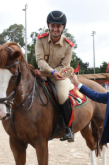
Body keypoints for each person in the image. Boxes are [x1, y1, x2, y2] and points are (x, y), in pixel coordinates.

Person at [34, 10, 75, 142]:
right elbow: (40, 60)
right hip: (44, 73)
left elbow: (65, 65)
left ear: (63, 27)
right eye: (52, 25)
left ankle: (68, 128)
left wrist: (52, 73)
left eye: (58, 26)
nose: (55, 29)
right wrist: (50, 72)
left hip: (60, 76)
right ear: (48, 26)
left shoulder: (69, 45)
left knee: (62, 95)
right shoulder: (40, 40)